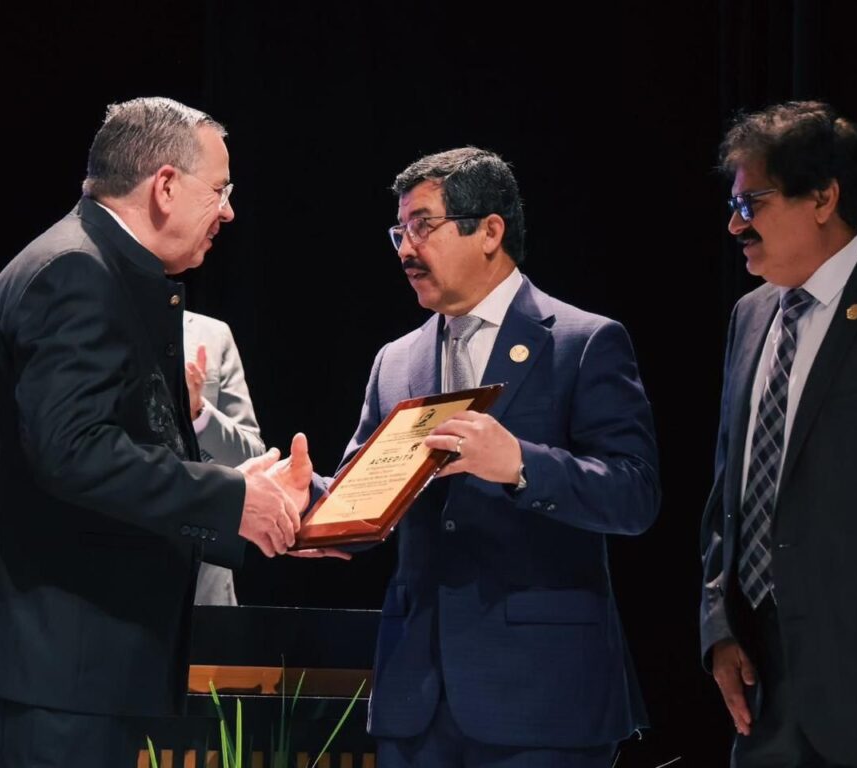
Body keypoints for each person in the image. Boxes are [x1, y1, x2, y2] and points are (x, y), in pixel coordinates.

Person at [0, 97, 302, 766]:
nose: (228, 212)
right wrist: (228, 499)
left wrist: (235, 482)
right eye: (219, 190)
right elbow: (73, 451)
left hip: (73, 668)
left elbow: (115, 439)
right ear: (165, 186)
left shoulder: (102, 268)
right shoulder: (75, 272)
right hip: (50, 667)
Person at [278, 147, 660, 767]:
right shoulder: (396, 360)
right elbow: (370, 494)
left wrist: (521, 464)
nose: (406, 249)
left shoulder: (583, 341)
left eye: (422, 226)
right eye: (399, 232)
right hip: (416, 698)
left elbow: (634, 494)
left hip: (542, 698)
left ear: (489, 231)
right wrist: (315, 500)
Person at [700, 101, 857, 768]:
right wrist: (718, 625)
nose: (735, 225)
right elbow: (728, 495)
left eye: (751, 203)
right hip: (762, 698)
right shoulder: (749, 316)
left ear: (822, 198)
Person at [184, 310, 268, 605]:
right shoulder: (99, 321)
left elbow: (252, 458)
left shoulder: (213, 334)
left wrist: (199, 414)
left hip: (204, 586)